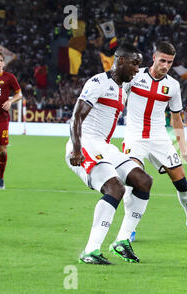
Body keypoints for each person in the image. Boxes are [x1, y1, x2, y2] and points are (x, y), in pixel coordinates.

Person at [65, 43, 153, 264]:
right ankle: (90, 251)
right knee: (115, 188)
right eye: (134, 63)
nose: (136, 69)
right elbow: (76, 117)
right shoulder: (98, 83)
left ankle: (121, 241)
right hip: (85, 143)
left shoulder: (122, 88)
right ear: (121, 60)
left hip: (103, 146)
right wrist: (76, 149)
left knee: (143, 180)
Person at [123, 41, 187, 241]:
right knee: (132, 181)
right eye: (162, 60)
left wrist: (185, 150)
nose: (165, 65)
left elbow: (177, 119)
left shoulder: (173, 86)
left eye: (169, 62)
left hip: (159, 138)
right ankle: (129, 227)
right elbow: (118, 101)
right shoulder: (133, 77)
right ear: (153, 58)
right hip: (135, 137)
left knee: (182, 184)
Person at [0, 52, 23, 189]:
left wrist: (11, 100)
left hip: (2, 119)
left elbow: (19, 94)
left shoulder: (9, 77)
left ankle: (0, 177)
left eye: (1, 60)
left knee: (3, 150)